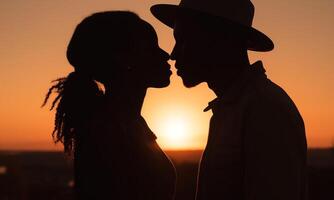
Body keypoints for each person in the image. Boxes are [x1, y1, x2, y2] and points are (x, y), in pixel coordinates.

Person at [151, 0, 307, 199]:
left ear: (218, 41)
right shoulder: (237, 107)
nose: (173, 54)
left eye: (183, 40)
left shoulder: (265, 109)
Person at [43, 11, 176, 199]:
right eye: (151, 48)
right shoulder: (108, 130)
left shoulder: (126, 122)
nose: (166, 55)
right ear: (124, 59)